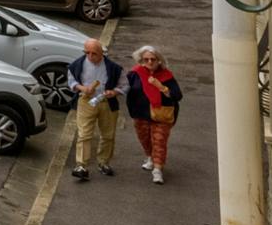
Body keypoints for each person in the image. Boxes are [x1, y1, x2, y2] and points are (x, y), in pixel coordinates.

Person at [66, 37, 125, 182]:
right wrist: (82, 88)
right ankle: (81, 166)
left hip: (106, 102)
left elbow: (125, 85)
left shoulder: (113, 67)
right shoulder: (77, 64)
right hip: (86, 101)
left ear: (102, 53)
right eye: (87, 53)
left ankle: (104, 162)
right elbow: (71, 82)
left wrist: (114, 92)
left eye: (94, 53)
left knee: (108, 135)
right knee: (84, 134)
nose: (90, 56)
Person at [125, 47, 186, 184]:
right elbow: (125, 88)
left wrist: (162, 87)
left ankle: (157, 170)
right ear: (141, 60)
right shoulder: (135, 73)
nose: (150, 62)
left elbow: (177, 95)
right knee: (145, 139)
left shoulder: (167, 75)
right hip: (141, 114)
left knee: (159, 141)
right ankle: (150, 157)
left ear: (159, 60)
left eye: (153, 59)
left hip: (162, 116)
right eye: (146, 59)